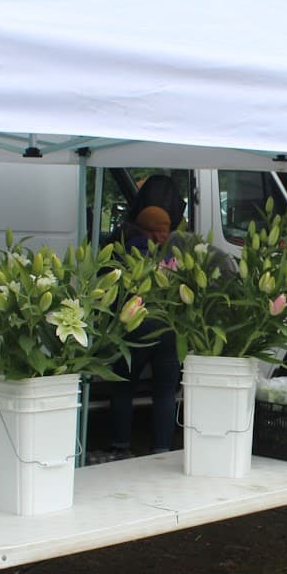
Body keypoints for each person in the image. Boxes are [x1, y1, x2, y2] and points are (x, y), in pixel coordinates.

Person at [107, 177, 185, 458]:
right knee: (165, 391)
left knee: (123, 387)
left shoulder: (124, 243)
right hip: (168, 327)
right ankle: (161, 448)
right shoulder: (177, 247)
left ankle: (120, 446)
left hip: (134, 326)